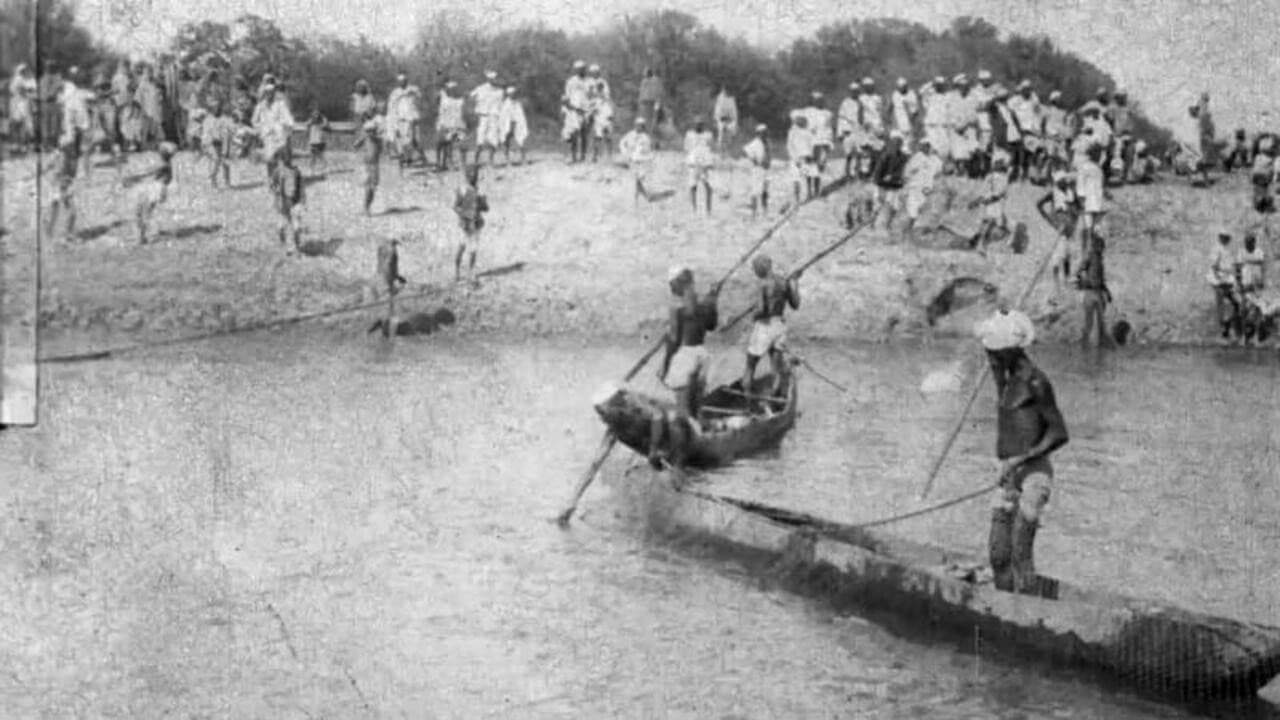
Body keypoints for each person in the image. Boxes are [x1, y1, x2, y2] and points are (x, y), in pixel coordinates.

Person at [974, 308, 1069, 596]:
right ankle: (1003, 609)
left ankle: (1030, 614)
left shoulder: (1036, 382)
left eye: (994, 353)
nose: (989, 358)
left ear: (1009, 352)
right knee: (998, 555)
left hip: (1032, 474)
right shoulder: (1005, 382)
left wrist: (1019, 459)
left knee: (1019, 553)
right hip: (1008, 474)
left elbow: (1059, 433)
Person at [654, 265, 721, 468]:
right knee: (696, 408)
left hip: (685, 355)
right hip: (702, 355)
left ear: (676, 284)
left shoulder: (677, 307)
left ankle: (680, 457)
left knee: (681, 411)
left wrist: (664, 366)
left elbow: (674, 340)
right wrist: (713, 299)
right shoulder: (705, 302)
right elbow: (711, 326)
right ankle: (700, 446)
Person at [743, 254, 800, 400]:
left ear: (760, 269)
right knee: (775, 367)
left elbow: (762, 310)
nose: (754, 272)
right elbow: (795, 304)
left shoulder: (762, 284)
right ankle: (774, 399)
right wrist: (795, 284)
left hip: (764, 326)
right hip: (779, 325)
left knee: (750, 365)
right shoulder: (783, 282)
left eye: (755, 269)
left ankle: (747, 398)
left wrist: (753, 315)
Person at [1036, 159, 1081, 298]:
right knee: (1056, 260)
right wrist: (1050, 220)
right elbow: (1039, 204)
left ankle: (1066, 280)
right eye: (1061, 181)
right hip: (1058, 229)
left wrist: (1075, 218)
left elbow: (1078, 207)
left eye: (1064, 180)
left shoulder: (1071, 191)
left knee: (1067, 255)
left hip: (1069, 228)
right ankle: (1056, 288)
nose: (1064, 182)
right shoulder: (1053, 192)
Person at [1075, 231, 1114, 348]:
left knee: (1098, 321)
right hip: (1091, 292)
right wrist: (1083, 282)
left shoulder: (1098, 259)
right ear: (1097, 246)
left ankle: (1095, 344)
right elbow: (1078, 272)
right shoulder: (1091, 256)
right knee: (1092, 322)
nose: (1103, 249)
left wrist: (1107, 292)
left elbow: (1100, 279)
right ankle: (1085, 344)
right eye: (1102, 246)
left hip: (1097, 292)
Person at [133, 142, 176, 244]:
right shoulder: (166, 164)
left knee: (144, 212)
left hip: (155, 189)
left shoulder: (164, 165)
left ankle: (144, 236)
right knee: (142, 211)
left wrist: (133, 177)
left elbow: (148, 172)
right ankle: (142, 236)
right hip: (155, 188)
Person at [968, 150, 1011, 250]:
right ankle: (978, 239)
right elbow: (985, 190)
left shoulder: (1003, 178)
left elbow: (998, 194)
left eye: (999, 162)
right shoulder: (990, 176)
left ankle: (982, 243)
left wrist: (982, 201)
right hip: (988, 203)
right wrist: (978, 200)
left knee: (991, 224)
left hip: (996, 204)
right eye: (995, 162)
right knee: (986, 223)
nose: (996, 164)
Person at [902, 136, 943, 243]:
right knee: (913, 213)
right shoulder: (917, 158)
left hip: (928, 190)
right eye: (924, 146)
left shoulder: (935, 160)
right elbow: (908, 173)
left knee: (928, 214)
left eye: (928, 146)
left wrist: (931, 186)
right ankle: (906, 234)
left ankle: (922, 235)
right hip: (915, 189)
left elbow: (938, 173)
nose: (927, 148)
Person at [252, 82, 295, 183]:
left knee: (282, 157)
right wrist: (261, 128)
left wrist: (287, 125)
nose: (269, 95)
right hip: (267, 136)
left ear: (274, 93)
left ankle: (282, 180)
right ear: (265, 93)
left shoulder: (280, 104)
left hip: (279, 134)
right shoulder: (260, 106)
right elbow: (254, 121)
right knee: (270, 158)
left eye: (271, 92)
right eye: (267, 93)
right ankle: (271, 179)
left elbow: (288, 118)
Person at [453, 164, 489, 284]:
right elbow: (455, 206)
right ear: (467, 176)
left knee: (473, 249)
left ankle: (470, 273)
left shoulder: (480, 191)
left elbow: (486, 208)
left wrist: (481, 203)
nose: (474, 177)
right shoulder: (462, 189)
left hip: (476, 223)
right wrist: (464, 214)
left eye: (475, 175)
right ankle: (457, 272)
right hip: (465, 224)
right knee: (461, 247)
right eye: (471, 175)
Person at [871, 131, 909, 233]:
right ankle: (872, 224)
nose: (897, 144)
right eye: (895, 141)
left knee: (895, 207)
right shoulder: (885, 155)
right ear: (892, 142)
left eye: (899, 142)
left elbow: (903, 171)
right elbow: (877, 172)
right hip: (882, 185)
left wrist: (896, 177)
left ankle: (888, 225)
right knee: (878, 206)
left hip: (895, 185)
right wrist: (881, 181)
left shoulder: (903, 157)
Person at [44, 136, 81, 241]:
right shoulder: (58, 156)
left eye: (72, 145)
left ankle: (64, 233)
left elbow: (72, 174)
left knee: (69, 210)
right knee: (61, 210)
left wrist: (70, 183)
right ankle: (57, 233)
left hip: (64, 186)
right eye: (69, 146)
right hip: (58, 186)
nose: (72, 148)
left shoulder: (71, 158)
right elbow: (48, 168)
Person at [271, 146, 305, 251]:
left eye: (287, 158)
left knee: (296, 227)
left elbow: (301, 188)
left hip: (295, 202)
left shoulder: (296, 172)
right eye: (283, 159)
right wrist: (276, 191)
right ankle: (283, 240)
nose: (285, 161)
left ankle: (296, 247)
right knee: (282, 225)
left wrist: (303, 201)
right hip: (282, 202)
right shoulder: (278, 171)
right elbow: (272, 185)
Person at [1007, 80, 1041, 183]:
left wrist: (1036, 128)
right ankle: (1013, 176)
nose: (1027, 91)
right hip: (1017, 130)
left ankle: (1027, 176)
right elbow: (1012, 113)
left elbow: (1037, 112)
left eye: (1029, 89)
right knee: (1015, 154)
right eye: (1025, 89)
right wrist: (1018, 127)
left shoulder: (1034, 99)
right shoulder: (1015, 100)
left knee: (1029, 154)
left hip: (1030, 130)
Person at [468, 70, 504, 166]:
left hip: (494, 117)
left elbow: (501, 106)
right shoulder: (481, 88)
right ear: (488, 79)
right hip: (483, 116)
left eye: (495, 78)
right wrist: (474, 111)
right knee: (480, 139)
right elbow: (470, 97)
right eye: (491, 79)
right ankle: (476, 160)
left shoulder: (500, 91)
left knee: (493, 139)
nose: (493, 80)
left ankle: (490, 160)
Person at [1208, 232, 1240, 339]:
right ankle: (1223, 331)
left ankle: (1226, 326)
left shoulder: (1226, 249)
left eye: (1228, 237)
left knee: (1236, 305)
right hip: (1219, 282)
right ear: (1220, 237)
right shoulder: (1217, 249)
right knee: (1221, 306)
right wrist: (1219, 280)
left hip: (1226, 282)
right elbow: (1213, 267)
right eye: (1225, 237)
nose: (1227, 239)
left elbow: (1230, 266)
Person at [618, 117, 655, 204]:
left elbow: (648, 151)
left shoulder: (645, 137)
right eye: (637, 125)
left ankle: (644, 195)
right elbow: (622, 143)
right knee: (635, 180)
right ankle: (636, 198)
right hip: (632, 160)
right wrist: (625, 153)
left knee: (639, 179)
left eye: (641, 126)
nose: (639, 127)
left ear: (643, 127)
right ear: (635, 125)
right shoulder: (630, 134)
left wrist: (648, 159)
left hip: (642, 161)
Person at [1076, 144, 1105, 254]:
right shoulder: (1084, 166)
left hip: (1097, 200)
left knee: (1097, 227)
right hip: (1088, 200)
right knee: (1087, 226)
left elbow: (1100, 185)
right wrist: (1081, 198)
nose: (1099, 155)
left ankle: (1095, 251)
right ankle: (1086, 251)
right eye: (1097, 153)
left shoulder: (1098, 168)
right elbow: (1080, 184)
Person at [353, 111, 383, 216]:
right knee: (368, 187)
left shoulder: (378, 139)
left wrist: (369, 135)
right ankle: (366, 207)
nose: (370, 133)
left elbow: (377, 140)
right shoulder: (367, 137)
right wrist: (360, 141)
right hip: (367, 164)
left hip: (374, 165)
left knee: (372, 188)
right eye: (368, 131)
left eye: (371, 131)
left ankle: (367, 207)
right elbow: (356, 144)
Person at [684, 116, 715, 214]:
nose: (698, 126)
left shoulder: (708, 135)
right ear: (694, 124)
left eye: (700, 124)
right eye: (697, 124)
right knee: (693, 186)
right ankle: (694, 209)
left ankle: (708, 209)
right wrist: (691, 160)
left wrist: (709, 162)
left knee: (708, 186)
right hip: (693, 163)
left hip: (704, 164)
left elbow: (710, 148)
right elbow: (687, 148)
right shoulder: (689, 134)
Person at [563, 61, 592, 163]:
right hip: (574, 110)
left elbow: (592, 95)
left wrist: (591, 109)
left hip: (586, 110)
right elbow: (566, 96)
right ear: (575, 70)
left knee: (584, 134)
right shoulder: (571, 81)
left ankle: (583, 156)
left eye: (583, 68)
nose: (581, 70)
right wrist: (568, 108)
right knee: (574, 134)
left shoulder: (589, 81)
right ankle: (573, 156)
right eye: (579, 69)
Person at [202, 101, 235, 188]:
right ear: (211, 109)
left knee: (225, 162)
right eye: (214, 108)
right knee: (216, 161)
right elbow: (207, 134)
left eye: (217, 107)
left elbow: (229, 130)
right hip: (212, 143)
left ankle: (227, 182)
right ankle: (213, 180)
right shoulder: (208, 120)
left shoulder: (222, 119)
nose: (217, 109)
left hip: (223, 143)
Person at [742, 123, 771, 219]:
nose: (765, 134)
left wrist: (767, 163)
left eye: (766, 132)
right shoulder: (755, 143)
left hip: (766, 170)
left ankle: (765, 211)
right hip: (758, 170)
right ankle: (754, 213)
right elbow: (747, 150)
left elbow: (769, 154)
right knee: (755, 191)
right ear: (759, 133)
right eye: (763, 132)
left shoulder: (767, 142)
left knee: (765, 191)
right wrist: (756, 162)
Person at [435, 81, 465, 171]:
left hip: (453, 123)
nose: (452, 91)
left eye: (454, 89)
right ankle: (438, 163)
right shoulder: (444, 98)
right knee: (440, 144)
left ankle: (448, 163)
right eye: (450, 89)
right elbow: (438, 103)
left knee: (449, 144)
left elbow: (460, 112)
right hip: (443, 122)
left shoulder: (459, 100)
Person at [8, 63, 37, 152]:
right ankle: (17, 145)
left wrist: (28, 92)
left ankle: (24, 145)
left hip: (25, 103)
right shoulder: (17, 79)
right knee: (17, 124)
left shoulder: (29, 80)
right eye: (22, 70)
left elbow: (31, 91)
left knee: (25, 125)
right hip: (17, 103)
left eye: (25, 70)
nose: (24, 72)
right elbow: (16, 90)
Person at [787, 112, 815, 203]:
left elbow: (811, 145)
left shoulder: (808, 132)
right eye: (798, 119)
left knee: (808, 176)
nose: (800, 121)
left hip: (806, 157)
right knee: (796, 179)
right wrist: (795, 158)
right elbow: (790, 146)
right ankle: (797, 197)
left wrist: (810, 155)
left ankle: (809, 194)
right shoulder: (792, 132)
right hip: (796, 158)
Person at [805, 91, 835, 174]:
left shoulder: (827, 113)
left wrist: (830, 138)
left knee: (822, 159)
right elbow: (806, 124)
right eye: (816, 100)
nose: (818, 102)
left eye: (820, 100)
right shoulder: (808, 111)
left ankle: (819, 169)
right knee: (812, 157)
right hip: (813, 137)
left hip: (824, 137)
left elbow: (829, 126)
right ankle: (811, 172)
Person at [498, 86, 529, 166]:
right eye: (511, 94)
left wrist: (519, 123)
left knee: (521, 141)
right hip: (508, 125)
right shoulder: (505, 104)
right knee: (506, 142)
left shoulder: (518, 103)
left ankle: (524, 159)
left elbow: (520, 115)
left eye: (514, 93)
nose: (513, 95)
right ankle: (507, 160)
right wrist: (506, 125)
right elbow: (503, 116)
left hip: (517, 124)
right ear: (508, 94)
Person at [889, 77, 920, 147]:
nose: (900, 89)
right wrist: (889, 120)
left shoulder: (911, 95)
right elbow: (891, 106)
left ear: (906, 86)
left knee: (906, 149)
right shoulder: (895, 94)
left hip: (907, 127)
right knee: (894, 146)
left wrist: (913, 125)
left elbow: (915, 112)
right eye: (899, 87)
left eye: (902, 87)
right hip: (896, 127)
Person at [637, 67, 664, 138]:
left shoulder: (656, 80)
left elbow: (659, 92)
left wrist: (658, 103)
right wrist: (640, 102)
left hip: (654, 103)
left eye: (646, 73)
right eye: (644, 74)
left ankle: (654, 137)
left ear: (649, 73)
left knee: (654, 120)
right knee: (646, 120)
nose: (645, 75)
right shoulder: (644, 81)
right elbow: (641, 93)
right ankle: (648, 135)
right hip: (646, 104)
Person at [713, 86, 738, 154]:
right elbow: (717, 110)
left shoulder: (732, 99)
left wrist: (732, 121)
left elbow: (734, 112)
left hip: (730, 121)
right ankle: (719, 151)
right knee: (720, 135)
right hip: (721, 120)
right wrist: (718, 120)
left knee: (730, 135)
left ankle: (728, 150)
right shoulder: (720, 97)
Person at [304, 107, 329, 172]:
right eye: (315, 114)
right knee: (313, 155)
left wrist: (323, 118)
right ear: (312, 114)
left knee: (318, 154)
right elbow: (307, 127)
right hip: (313, 140)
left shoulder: (322, 121)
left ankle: (323, 165)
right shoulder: (310, 122)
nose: (316, 115)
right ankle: (312, 168)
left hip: (320, 140)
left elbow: (325, 125)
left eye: (317, 114)